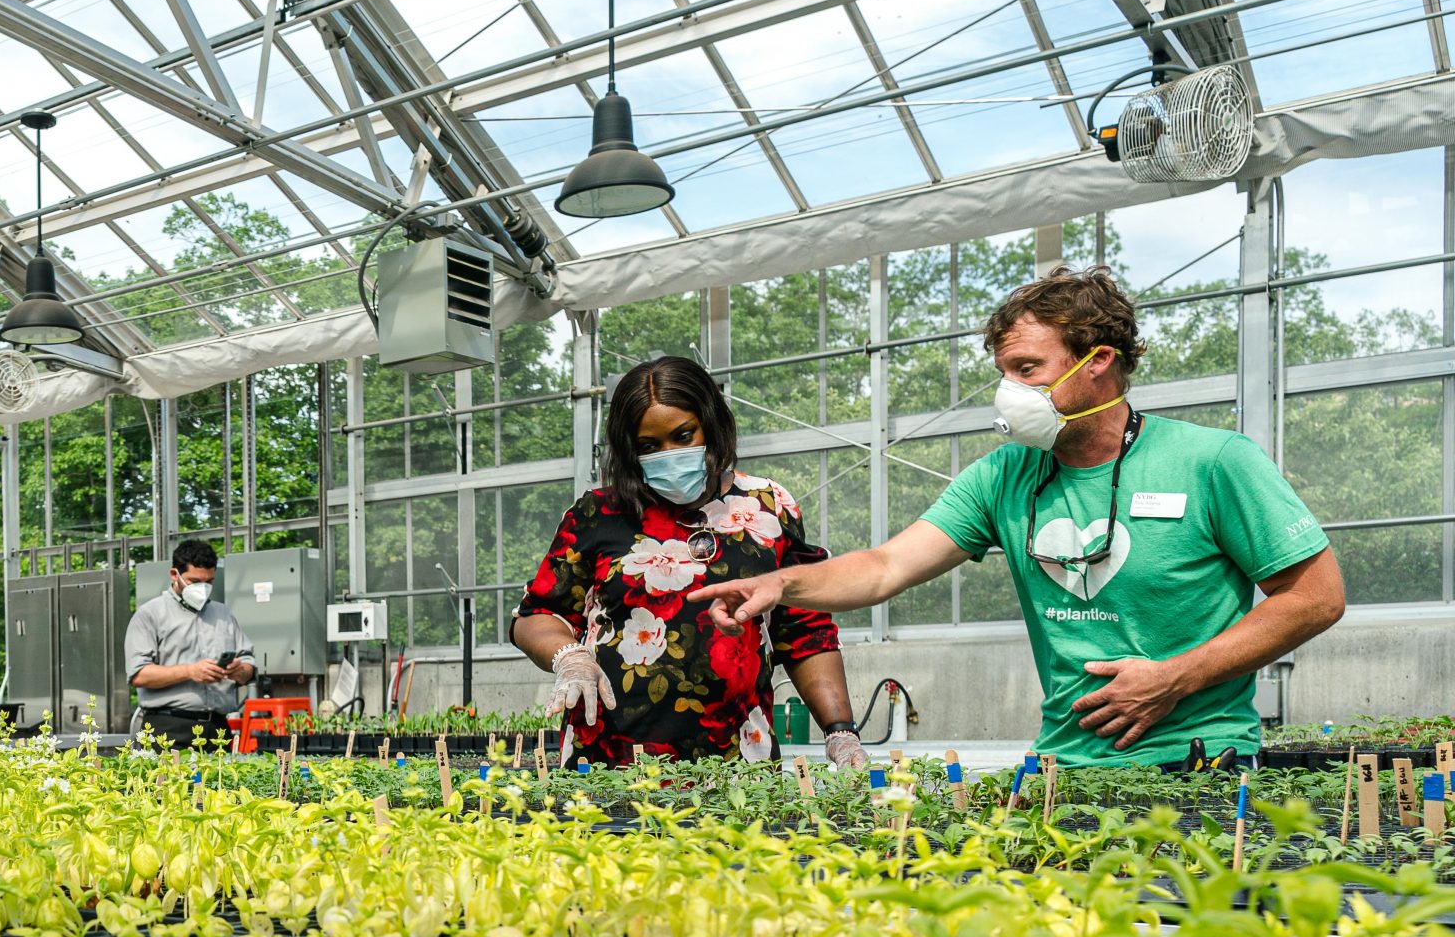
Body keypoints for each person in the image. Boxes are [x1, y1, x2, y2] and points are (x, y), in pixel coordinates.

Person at [691, 267, 1345, 767]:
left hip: (1200, 761)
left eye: (1027, 369)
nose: (1009, 391)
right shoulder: (1004, 476)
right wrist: (784, 583)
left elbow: (1315, 597)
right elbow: (887, 566)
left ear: (1099, 365)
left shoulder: (1213, 461)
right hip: (1065, 764)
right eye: (1003, 372)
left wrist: (1176, 676)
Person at [512, 357, 864, 768]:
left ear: (711, 424)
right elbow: (535, 615)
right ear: (629, 449)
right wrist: (570, 657)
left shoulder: (768, 508)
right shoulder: (597, 515)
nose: (669, 454)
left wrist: (840, 731)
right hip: (611, 760)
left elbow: (805, 628)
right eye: (649, 446)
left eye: (683, 436)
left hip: (738, 760)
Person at [125, 538, 258, 747]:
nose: (202, 588)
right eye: (195, 582)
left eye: (209, 582)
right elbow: (139, 675)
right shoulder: (150, 615)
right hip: (168, 728)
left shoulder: (223, 614)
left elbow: (248, 662)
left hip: (218, 728)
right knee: (169, 780)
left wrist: (239, 670)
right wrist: (190, 671)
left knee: (217, 781)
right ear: (174, 575)